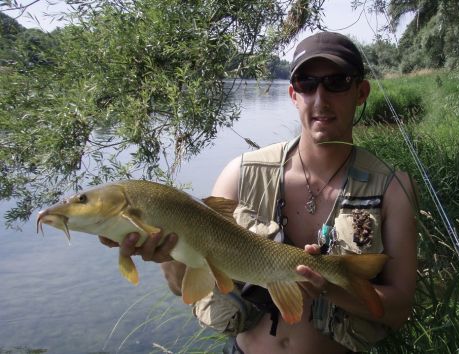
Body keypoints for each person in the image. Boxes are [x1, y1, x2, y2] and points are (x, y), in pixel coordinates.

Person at [100, 31, 417, 353]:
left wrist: (328, 289)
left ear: (361, 91)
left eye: (336, 83)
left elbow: (399, 310)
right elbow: (182, 285)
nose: (320, 99)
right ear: (293, 94)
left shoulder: (393, 188)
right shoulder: (239, 174)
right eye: (307, 83)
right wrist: (168, 256)